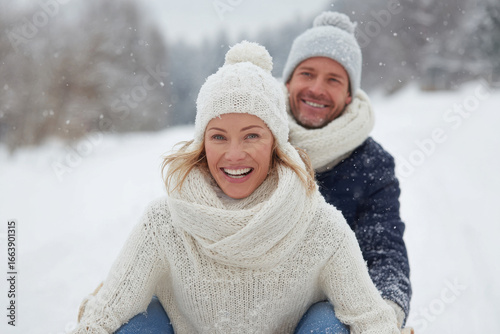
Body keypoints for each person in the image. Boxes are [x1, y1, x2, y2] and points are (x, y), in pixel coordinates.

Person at [73, 41, 401, 333]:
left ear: (276, 143)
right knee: (136, 325)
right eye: (218, 137)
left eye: (252, 135)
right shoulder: (165, 221)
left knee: (332, 323)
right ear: (202, 143)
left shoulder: (320, 226)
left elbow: (370, 318)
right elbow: (104, 314)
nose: (233, 154)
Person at [281, 11, 412, 331]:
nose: (316, 89)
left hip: (328, 307)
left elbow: (384, 252)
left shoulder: (372, 165)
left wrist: (386, 313)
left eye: (333, 80)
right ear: (287, 81)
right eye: (307, 73)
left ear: (350, 94)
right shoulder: (257, 139)